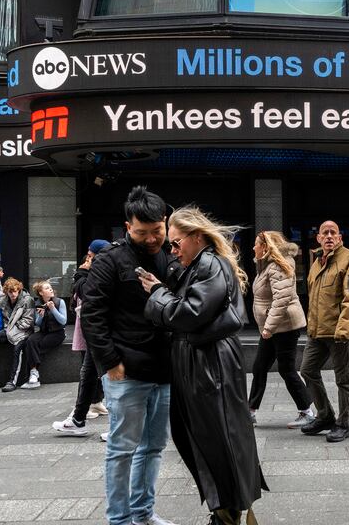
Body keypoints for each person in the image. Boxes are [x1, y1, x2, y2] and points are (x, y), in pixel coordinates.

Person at [141, 206, 267, 525]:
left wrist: (157, 294)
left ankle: (230, 514)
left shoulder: (210, 264)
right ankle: (228, 512)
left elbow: (189, 314)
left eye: (176, 242)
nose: (172, 249)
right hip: (202, 363)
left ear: (196, 237)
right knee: (213, 441)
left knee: (218, 441)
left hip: (209, 365)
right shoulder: (202, 264)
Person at [81, 186, 180, 525]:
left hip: (166, 371)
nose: (151, 238)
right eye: (142, 232)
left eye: (157, 231)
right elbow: (91, 315)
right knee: (122, 450)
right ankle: (119, 519)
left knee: (153, 448)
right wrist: (110, 363)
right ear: (127, 227)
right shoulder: (110, 260)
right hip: (126, 371)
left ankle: (143, 513)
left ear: (165, 223)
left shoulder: (172, 257)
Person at [300, 220, 349, 443]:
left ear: (340, 238)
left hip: (339, 332)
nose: (328, 236)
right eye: (324, 233)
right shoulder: (317, 262)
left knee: (343, 379)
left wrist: (344, 329)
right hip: (317, 332)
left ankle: (343, 424)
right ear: (318, 238)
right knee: (307, 370)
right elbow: (314, 299)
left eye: (333, 233)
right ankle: (325, 415)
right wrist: (310, 326)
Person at [247, 231, 314, 428]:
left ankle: (307, 412)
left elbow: (282, 298)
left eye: (256, 244)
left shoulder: (277, 266)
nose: (253, 247)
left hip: (283, 327)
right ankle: (250, 411)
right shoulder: (266, 265)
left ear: (266, 247)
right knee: (259, 367)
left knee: (286, 369)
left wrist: (268, 327)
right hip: (273, 326)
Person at [53, 240, 111, 435]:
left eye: (90, 253)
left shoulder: (103, 269)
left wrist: (81, 274)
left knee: (107, 375)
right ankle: (79, 418)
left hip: (102, 330)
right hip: (94, 329)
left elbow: (87, 291)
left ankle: (114, 425)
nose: (87, 256)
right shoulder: (101, 267)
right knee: (89, 372)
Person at [20, 281, 67, 389]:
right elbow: (38, 323)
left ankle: (33, 375)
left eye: (50, 287)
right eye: (47, 288)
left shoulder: (60, 302)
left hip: (57, 332)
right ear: (41, 293)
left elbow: (63, 321)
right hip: (44, 331)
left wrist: (53, 309)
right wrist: (40, 316)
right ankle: (34, 373)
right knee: (30, 341)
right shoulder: (38, 303)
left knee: (33, 348)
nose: (51, 289)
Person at [0, 278, 35, 393]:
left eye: (15, 291)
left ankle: (12, 381)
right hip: (9, 330)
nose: (13, 294)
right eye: (10, 291)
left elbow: (28, 321)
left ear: (19, 290)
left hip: (23, 331)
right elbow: (3, 320)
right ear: (6, 292)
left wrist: (14, 328)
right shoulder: (3, 302)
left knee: (17, 348)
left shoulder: (27, 300)